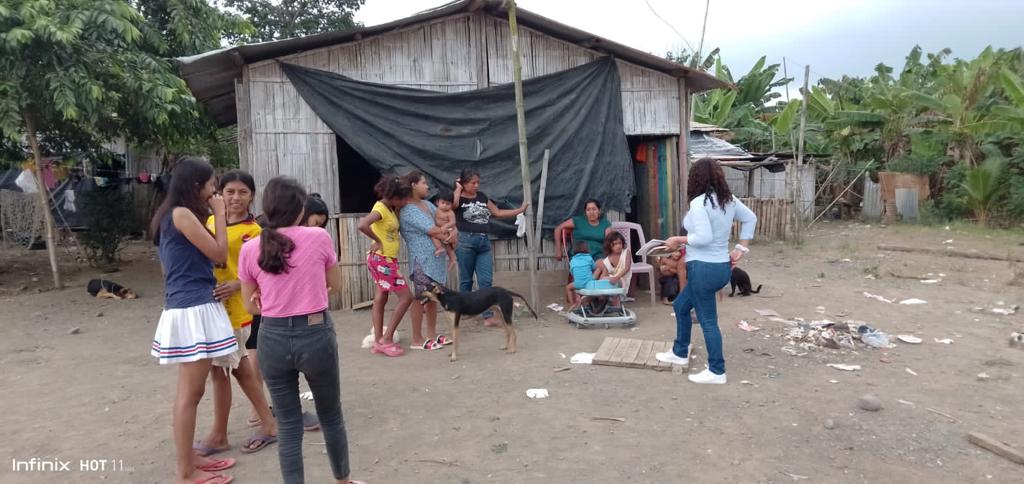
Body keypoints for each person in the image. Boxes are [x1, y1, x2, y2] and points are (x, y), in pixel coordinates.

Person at [237, 177, 364, 484]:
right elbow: (336, 285)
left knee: (289, 424)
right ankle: (343, 480)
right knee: (331, 415)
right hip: (315, 333)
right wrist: (308, 290)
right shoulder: (318, 237)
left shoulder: (250, 248)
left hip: (272, 338)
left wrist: (270, 297)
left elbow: (250, 306)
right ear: (300, 208)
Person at [149, 157, 236, 484]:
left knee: (191, 392)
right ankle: (185, 471)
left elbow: (169, 267)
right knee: (190, 394)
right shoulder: (181, 214)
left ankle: (188, 458)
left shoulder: (171, 215)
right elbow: (220, 255)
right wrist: (220, 214)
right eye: (212, 184)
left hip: (190, 305)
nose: (215, 191)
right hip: (192, 309)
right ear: (196, 186)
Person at [195, 170, 278, 457]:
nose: (236, 197)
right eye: (230, 191)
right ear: (220, 193)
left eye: (243, 192)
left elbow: (266, 273)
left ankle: (221, 433)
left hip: (237, 310)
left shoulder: (255, 232)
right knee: (228, 368)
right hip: (212, 306)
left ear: (252, 196)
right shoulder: (209, 222)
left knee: (223, 370)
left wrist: (238, 284)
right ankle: (261, 424)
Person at [656, 158, 757, 385]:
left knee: (708, 321)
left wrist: (677, 240)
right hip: (721, 268)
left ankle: (717, 371)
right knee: (681, 307)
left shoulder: (699, 203)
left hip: (702, 269)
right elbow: (751, 218)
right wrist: (741, 248)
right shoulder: (728, 200)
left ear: (695, 178)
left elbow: (703, 237)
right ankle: (680, 352)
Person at [453, 168, 528, 325]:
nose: (476, 185)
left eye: (478, 182)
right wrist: (458, 189)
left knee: (486, 281)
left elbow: (498, 212)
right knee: (466, 280)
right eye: (473, 183)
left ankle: (487, 316)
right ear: (464, 183)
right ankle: (463, 311)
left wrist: (520, 210)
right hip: (465, 241)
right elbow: (453, 205)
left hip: (483, 242)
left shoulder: (482, 196)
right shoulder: (458, 198)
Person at [357, 175, 413, 356]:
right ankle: (386, 339)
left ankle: (378, 340)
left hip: (384, 260)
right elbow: (362, 224)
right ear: (395, 197)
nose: (405, 202)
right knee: (406, 297)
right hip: (383, 260)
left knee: (381, 296)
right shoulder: (380, 208)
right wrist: (378, 241)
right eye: (403, 199)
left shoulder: (389, 208)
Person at [399, 171, 454, 351]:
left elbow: (442, 223)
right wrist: (450, 234)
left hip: (435, 259)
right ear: (413, 185)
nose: (427, 186)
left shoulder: (428, 205)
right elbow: (433, 230)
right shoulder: (408, 210)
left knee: (433, 297)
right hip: (421, 260)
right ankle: (416, 338)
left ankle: (431, 334)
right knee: (420, 297)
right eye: (423, 183)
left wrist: (452, 232)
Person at [594, 231, 632, 307]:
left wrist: (616, 278)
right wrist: (602, 280)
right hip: (611, 281)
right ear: (609, 245)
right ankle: (600, 298)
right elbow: (605, 274)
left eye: (620, 243)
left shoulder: (626, 252)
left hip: (622, 280)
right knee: (602, 277)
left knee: (609, 281)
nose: (618, 246)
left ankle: (614, 302)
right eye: (615, 244)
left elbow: (627, 268)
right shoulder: (607, 260)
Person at [431, 189, 458, 265]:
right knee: (434, 237)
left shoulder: (450, 213)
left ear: (451, 204)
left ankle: (453, 257)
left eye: (448, 204)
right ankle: (440, 248)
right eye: (442, 203)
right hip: (439, 228)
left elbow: (453, 222)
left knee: (448, 243)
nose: (445, 206)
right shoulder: (436, 210)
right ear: (437, 202)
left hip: (448, 228)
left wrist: (446, 226)